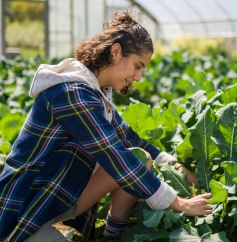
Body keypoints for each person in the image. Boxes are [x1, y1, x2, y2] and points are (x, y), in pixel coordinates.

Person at [0, 9, 212, 242]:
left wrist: (180, 170)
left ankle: (110, 238)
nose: (139, 77)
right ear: (116, 52)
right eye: (137, 65)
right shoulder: (71, 93)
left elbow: (129, 140)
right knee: (125, 162)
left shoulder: (94, 94)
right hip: (26, 204)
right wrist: (178, 202)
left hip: (56, 194)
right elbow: (113, 154)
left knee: (140, 157)